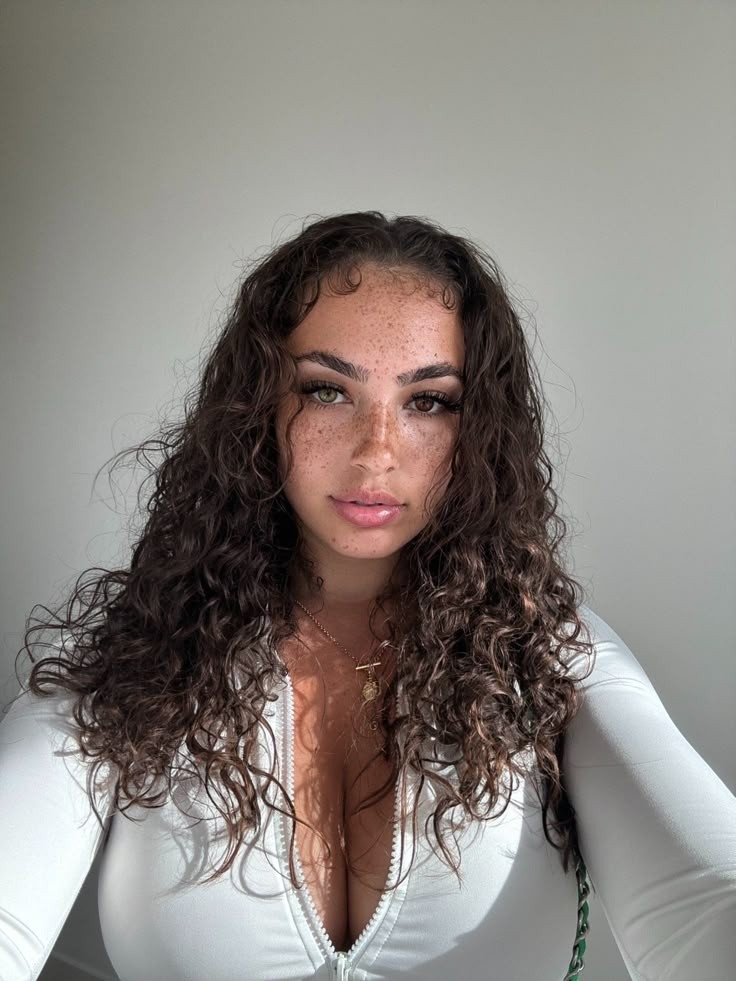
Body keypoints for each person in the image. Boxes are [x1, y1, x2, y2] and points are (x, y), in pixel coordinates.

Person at [1, 211, 734, 981]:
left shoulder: (547, 654)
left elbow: (709, 895)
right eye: (328, 391)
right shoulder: (128, 653)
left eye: (429, 401)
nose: (376, 450)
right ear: (259, 406)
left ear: (478, 428)